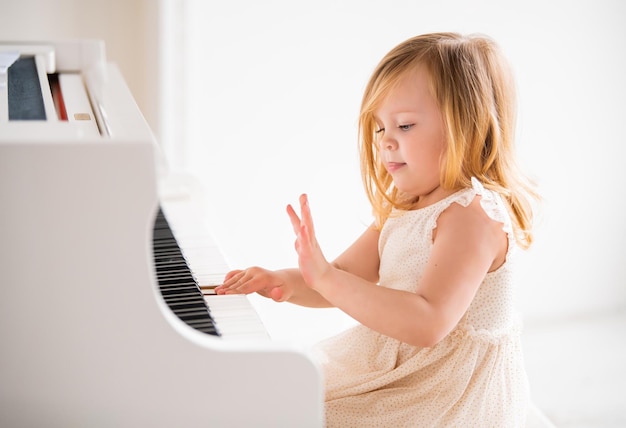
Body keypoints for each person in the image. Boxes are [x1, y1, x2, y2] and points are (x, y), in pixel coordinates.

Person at [215, 32, 539, 427]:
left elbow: (429, 322)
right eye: (379, 128)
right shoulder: (406, 206)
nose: (386, 142)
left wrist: (327, 279)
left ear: (465, 126)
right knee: (282, 399)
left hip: (444, 392)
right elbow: (346, 276)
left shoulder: (472, 215)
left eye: (404, 125)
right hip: (398, 371)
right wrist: (281, 281)